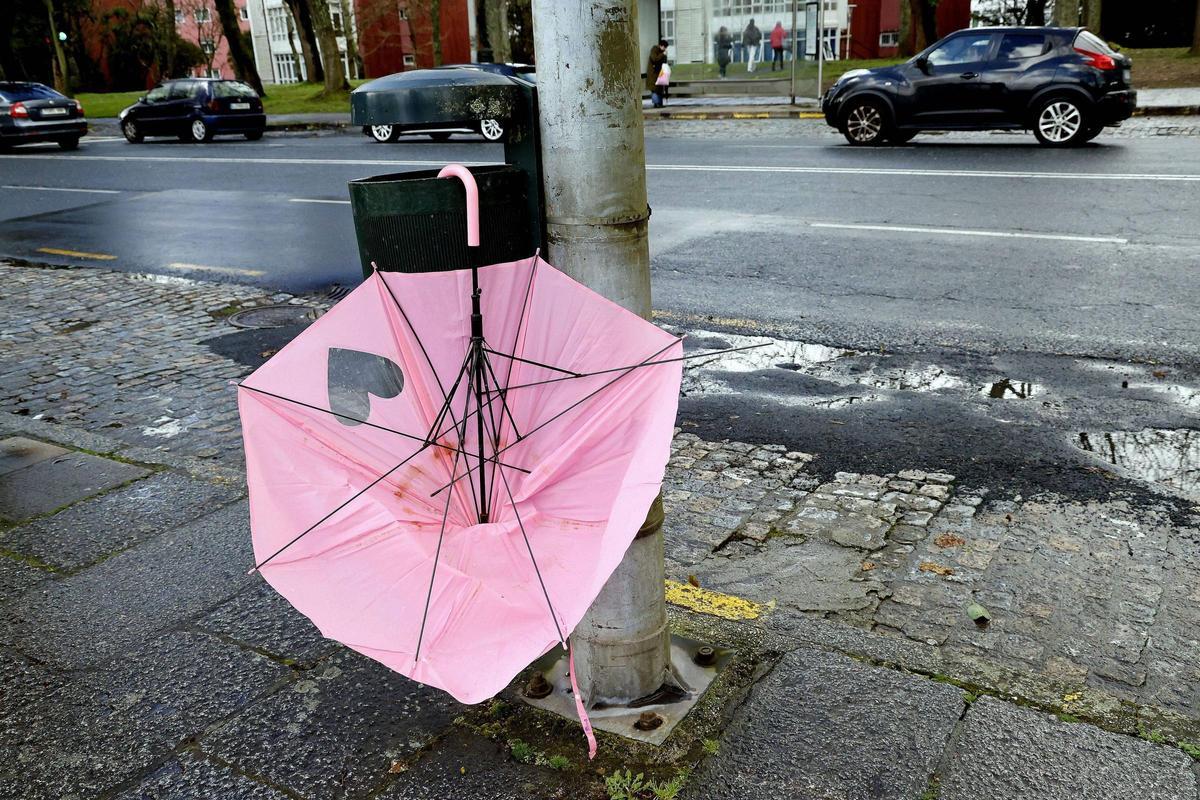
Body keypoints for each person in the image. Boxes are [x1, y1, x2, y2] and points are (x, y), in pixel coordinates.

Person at [646, 38, 668, 108]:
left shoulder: (661, 52)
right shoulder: (654, 49)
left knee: (659, 89)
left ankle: (659, 104)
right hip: (653, 74)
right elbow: (654, 59)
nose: (664, 49)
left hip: (659, 73)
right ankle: (656, 104)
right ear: (661, 46)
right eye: (664, 47)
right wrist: (662, 54)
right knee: (655, 89)